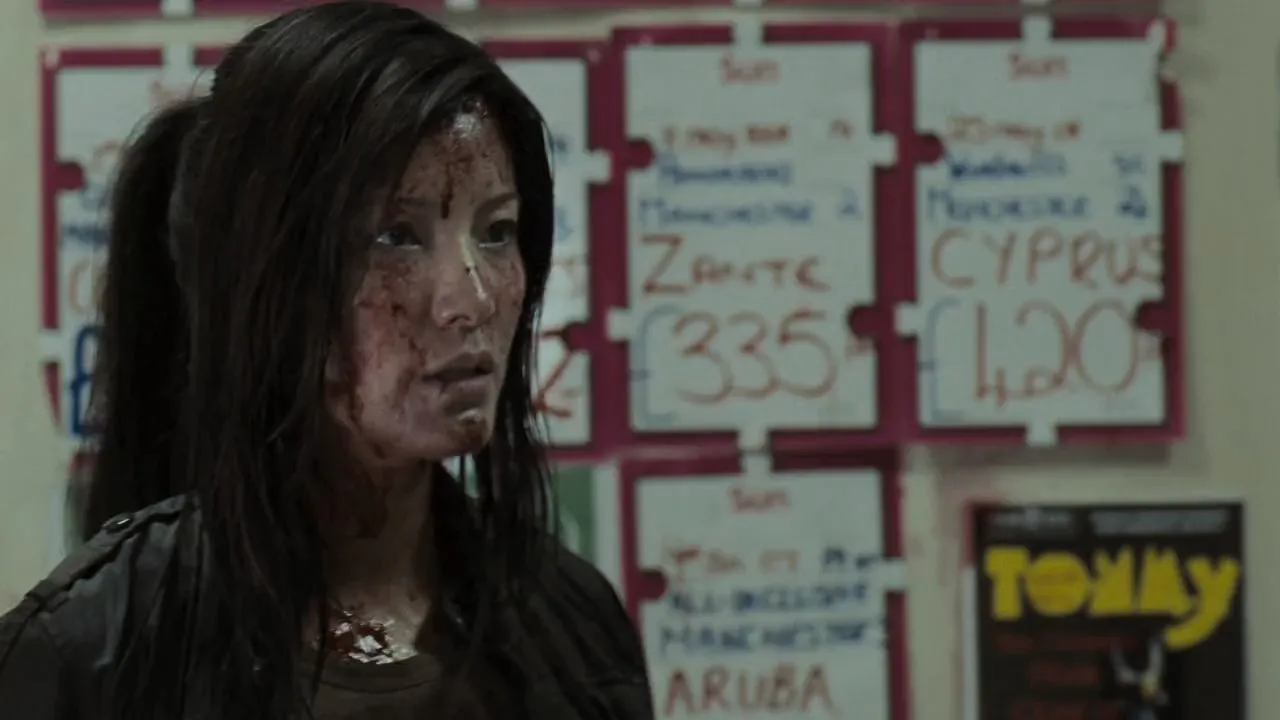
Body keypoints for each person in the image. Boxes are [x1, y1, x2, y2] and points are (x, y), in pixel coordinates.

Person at [0, 3, 653, 718]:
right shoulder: (85, 656)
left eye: (497, 231)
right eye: (395, 237)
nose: (471, 300)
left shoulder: (573, 622)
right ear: (265, 280)